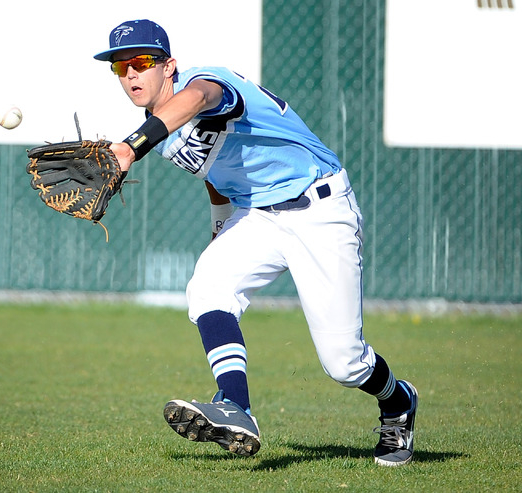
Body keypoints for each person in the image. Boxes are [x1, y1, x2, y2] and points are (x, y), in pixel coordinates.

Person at [93, 19, 418, 466]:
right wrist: (219, 229)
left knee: (345, 364)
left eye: (142, 62)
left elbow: (199, 101)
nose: (131, 73)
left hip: (318, 208)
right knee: (207, 286)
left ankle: (397, 402)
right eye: (120, 67)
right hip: (258, 217)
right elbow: (217, 178)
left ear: (169, 66)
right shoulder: (159, 129)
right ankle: (235, 407)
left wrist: (131, 147)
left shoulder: (205, 84)